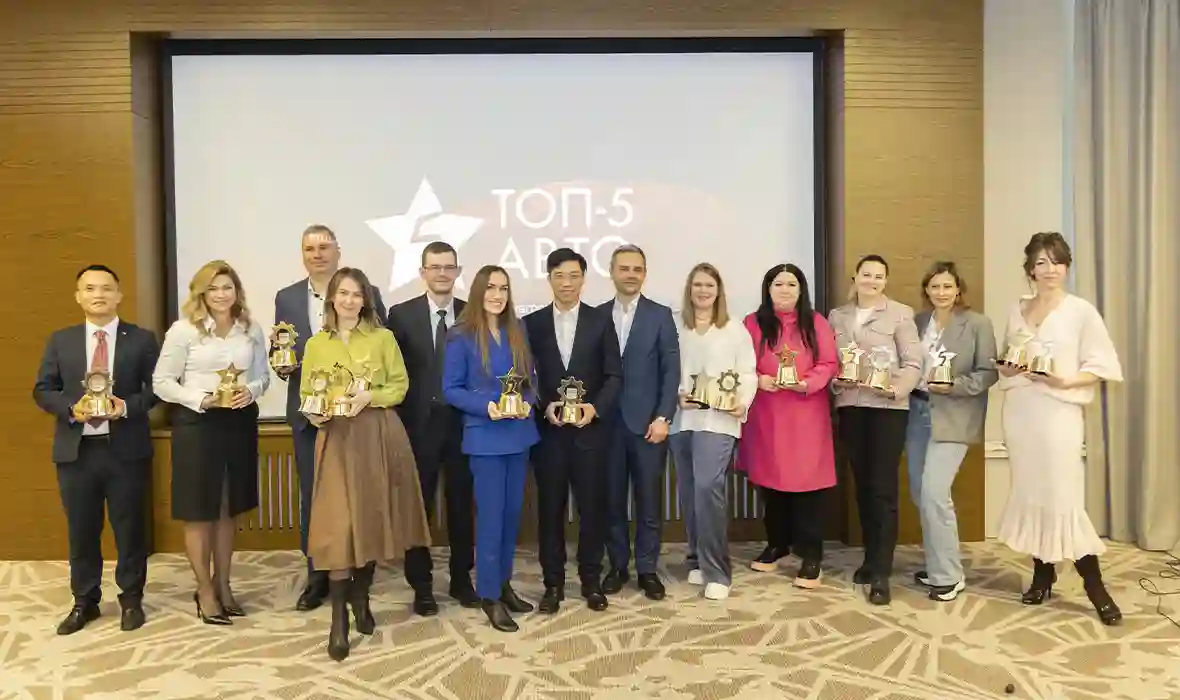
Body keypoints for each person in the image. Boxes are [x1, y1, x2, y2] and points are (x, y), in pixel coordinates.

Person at [299, 266, 432, 660]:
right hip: (336, 439)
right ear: (332, 298)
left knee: (370, 518)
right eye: (343, 293)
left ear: (366, 301)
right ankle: (338, 618)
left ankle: (361, 598)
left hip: (377, 435)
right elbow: (308, 393)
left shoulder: (382, 338)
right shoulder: (316, 344)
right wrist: (315, 414)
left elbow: (399, 385)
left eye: (357, 294)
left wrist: (369, 397)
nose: (349, 300)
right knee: (339, 525)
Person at [995, 232, 1123, 625]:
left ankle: (1094, 587)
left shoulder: (1081, 311)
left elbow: (1101, 365)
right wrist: (1007, 368)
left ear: (1067, 266)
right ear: (1030, 269)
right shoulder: (1017, 308)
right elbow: (1009, 358)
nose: (1049, 269)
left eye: (1057, 261)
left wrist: (1064, 381)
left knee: (1063, 497)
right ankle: (1043, 573)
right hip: (1021, 411)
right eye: (1041, 262)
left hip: (1058, 412)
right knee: (1033, 493)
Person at [32, 264, 160, 634]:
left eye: (106, 288)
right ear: (78, 296)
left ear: (119, 295)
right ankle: (84, 601)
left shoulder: (141, 339)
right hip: (76, 451)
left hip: (126, 449)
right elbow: (43, 389)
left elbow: (158, 387)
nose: (98, 294)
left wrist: (127, 407)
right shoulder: (61, 340)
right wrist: (70, 409)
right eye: (89, 288)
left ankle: (131, 599)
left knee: (130, 528)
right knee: (82, 529)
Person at [273, 224, 387, 612]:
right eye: (310, 248)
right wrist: (282, 364)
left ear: (338, 251)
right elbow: (285, 350)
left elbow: (378, 352)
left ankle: (357, 575)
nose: (317, 254)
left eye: (324, 247)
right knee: (314, 497)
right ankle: (317, 575)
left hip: (357, 418)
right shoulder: (286, 297)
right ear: (302, 254)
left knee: (358, 497)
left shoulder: (367, 293)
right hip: (311, 416)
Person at [153, 260, 270, 624]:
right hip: (197, 426)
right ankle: (204, 589)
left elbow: (263, 376)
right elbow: (161, 382)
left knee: (227, 508)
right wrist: (201, 399)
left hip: (238, 424)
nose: (221, 294)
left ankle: (224, 583)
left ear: (237, 291)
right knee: (199, 510)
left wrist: (251, 391)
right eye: (213, 288)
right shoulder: (183, 330)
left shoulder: (250, 328)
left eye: (227, 287)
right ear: (201, 292)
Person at [442, 265, 541, 632]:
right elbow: (451, 389)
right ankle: (488, 595)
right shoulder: (461, 335)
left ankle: (503, 584)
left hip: (519, 434)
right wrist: (487, 406)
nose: (497, 295)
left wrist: (528, 402)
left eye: (503, 288)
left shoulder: (518, 329)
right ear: (478, 291)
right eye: (491, 288)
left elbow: (531, 379)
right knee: (490, 519)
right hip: (485, 437)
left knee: (512, 516)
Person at [524, 247, 622, 614]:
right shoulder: (531, 324)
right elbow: (525, 376)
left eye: (574, 276)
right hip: (548, 435)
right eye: (559, 276)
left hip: (590, 434)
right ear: (549, 279)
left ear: (583, 279)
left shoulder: (601, 320)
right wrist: (542, 404)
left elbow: (614, 375)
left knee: (592, 510)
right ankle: (552, 584)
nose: (567, 283)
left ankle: (591, 581)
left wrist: (594, 408)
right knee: (550, 511)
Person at [387, 241, 478, 614]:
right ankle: (421, 586)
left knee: (462, 508)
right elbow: (393, 370)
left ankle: (461, 580)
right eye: (434, 267)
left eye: (448, 267)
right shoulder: (401, 314)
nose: (442, 273)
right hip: (417, 428)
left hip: (463, 426)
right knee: (417, 509)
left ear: (458, 272)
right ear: (422, 272)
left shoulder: (473, 313)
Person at [827, 254, 921, 605]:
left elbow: (914, 361)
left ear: (886, 280)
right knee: (863, 487)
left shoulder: (900, 314)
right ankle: (870, 558)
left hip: (887, 409)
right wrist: (836, 383)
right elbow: (832, 361)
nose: (872, 281)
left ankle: (882, 571)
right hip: (851, 407)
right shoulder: (837, 316)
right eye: (866, 274)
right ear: (855, 276)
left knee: (882, 489)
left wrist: (896, 390)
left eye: (879, 276)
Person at [738, 264, 837, 589]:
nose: (784, 290)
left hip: (806, 415)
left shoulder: (816, 323)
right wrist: (758, 379)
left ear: (801, 290)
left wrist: (806, 383)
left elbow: (829, 363)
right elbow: (739, 363)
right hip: (766, 415)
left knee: (809, 487)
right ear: (768, 289)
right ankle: (777, 543)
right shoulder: (752, 323)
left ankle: (812, 556)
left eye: (791, 284)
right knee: (771, 484)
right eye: (778, 284)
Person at [905, 261, 997, 601]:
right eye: (935, 286)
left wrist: (953, 386)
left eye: (947, 286)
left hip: (955, 415)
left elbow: (988, 373)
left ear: (958, 289)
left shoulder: (978, 324)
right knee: (921, 493)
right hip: (917, 413)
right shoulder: (918, 322)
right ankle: (937, 565)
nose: (941, 292)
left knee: (934, 493)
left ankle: (949, 575)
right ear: (926, 290)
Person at [669, 263, 757, 601]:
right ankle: (697, 558)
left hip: (718, 421)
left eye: (709, 285)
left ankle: (718, 571)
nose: (703, 291)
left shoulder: (734, 329)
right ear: (689, 289)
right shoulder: (675, 325)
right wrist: (676, 395)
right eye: (697, 285)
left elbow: (747, 372)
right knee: (690, 491)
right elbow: (665, 367)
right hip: (682, 419)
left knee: (708, 487)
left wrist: (741, 402)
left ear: (719, 290)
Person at [600, 244, 680, 601]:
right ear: (612, 272)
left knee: (649, 502)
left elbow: (671, 369)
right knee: (612, 501)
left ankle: (647, 569)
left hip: (649, 425)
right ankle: (617, 565)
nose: (631, 274)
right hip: (606, 427)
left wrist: (664, 416)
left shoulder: (660, 315)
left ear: (644, 274)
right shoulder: (597, 315)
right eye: (624, 268)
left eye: (637, 269)